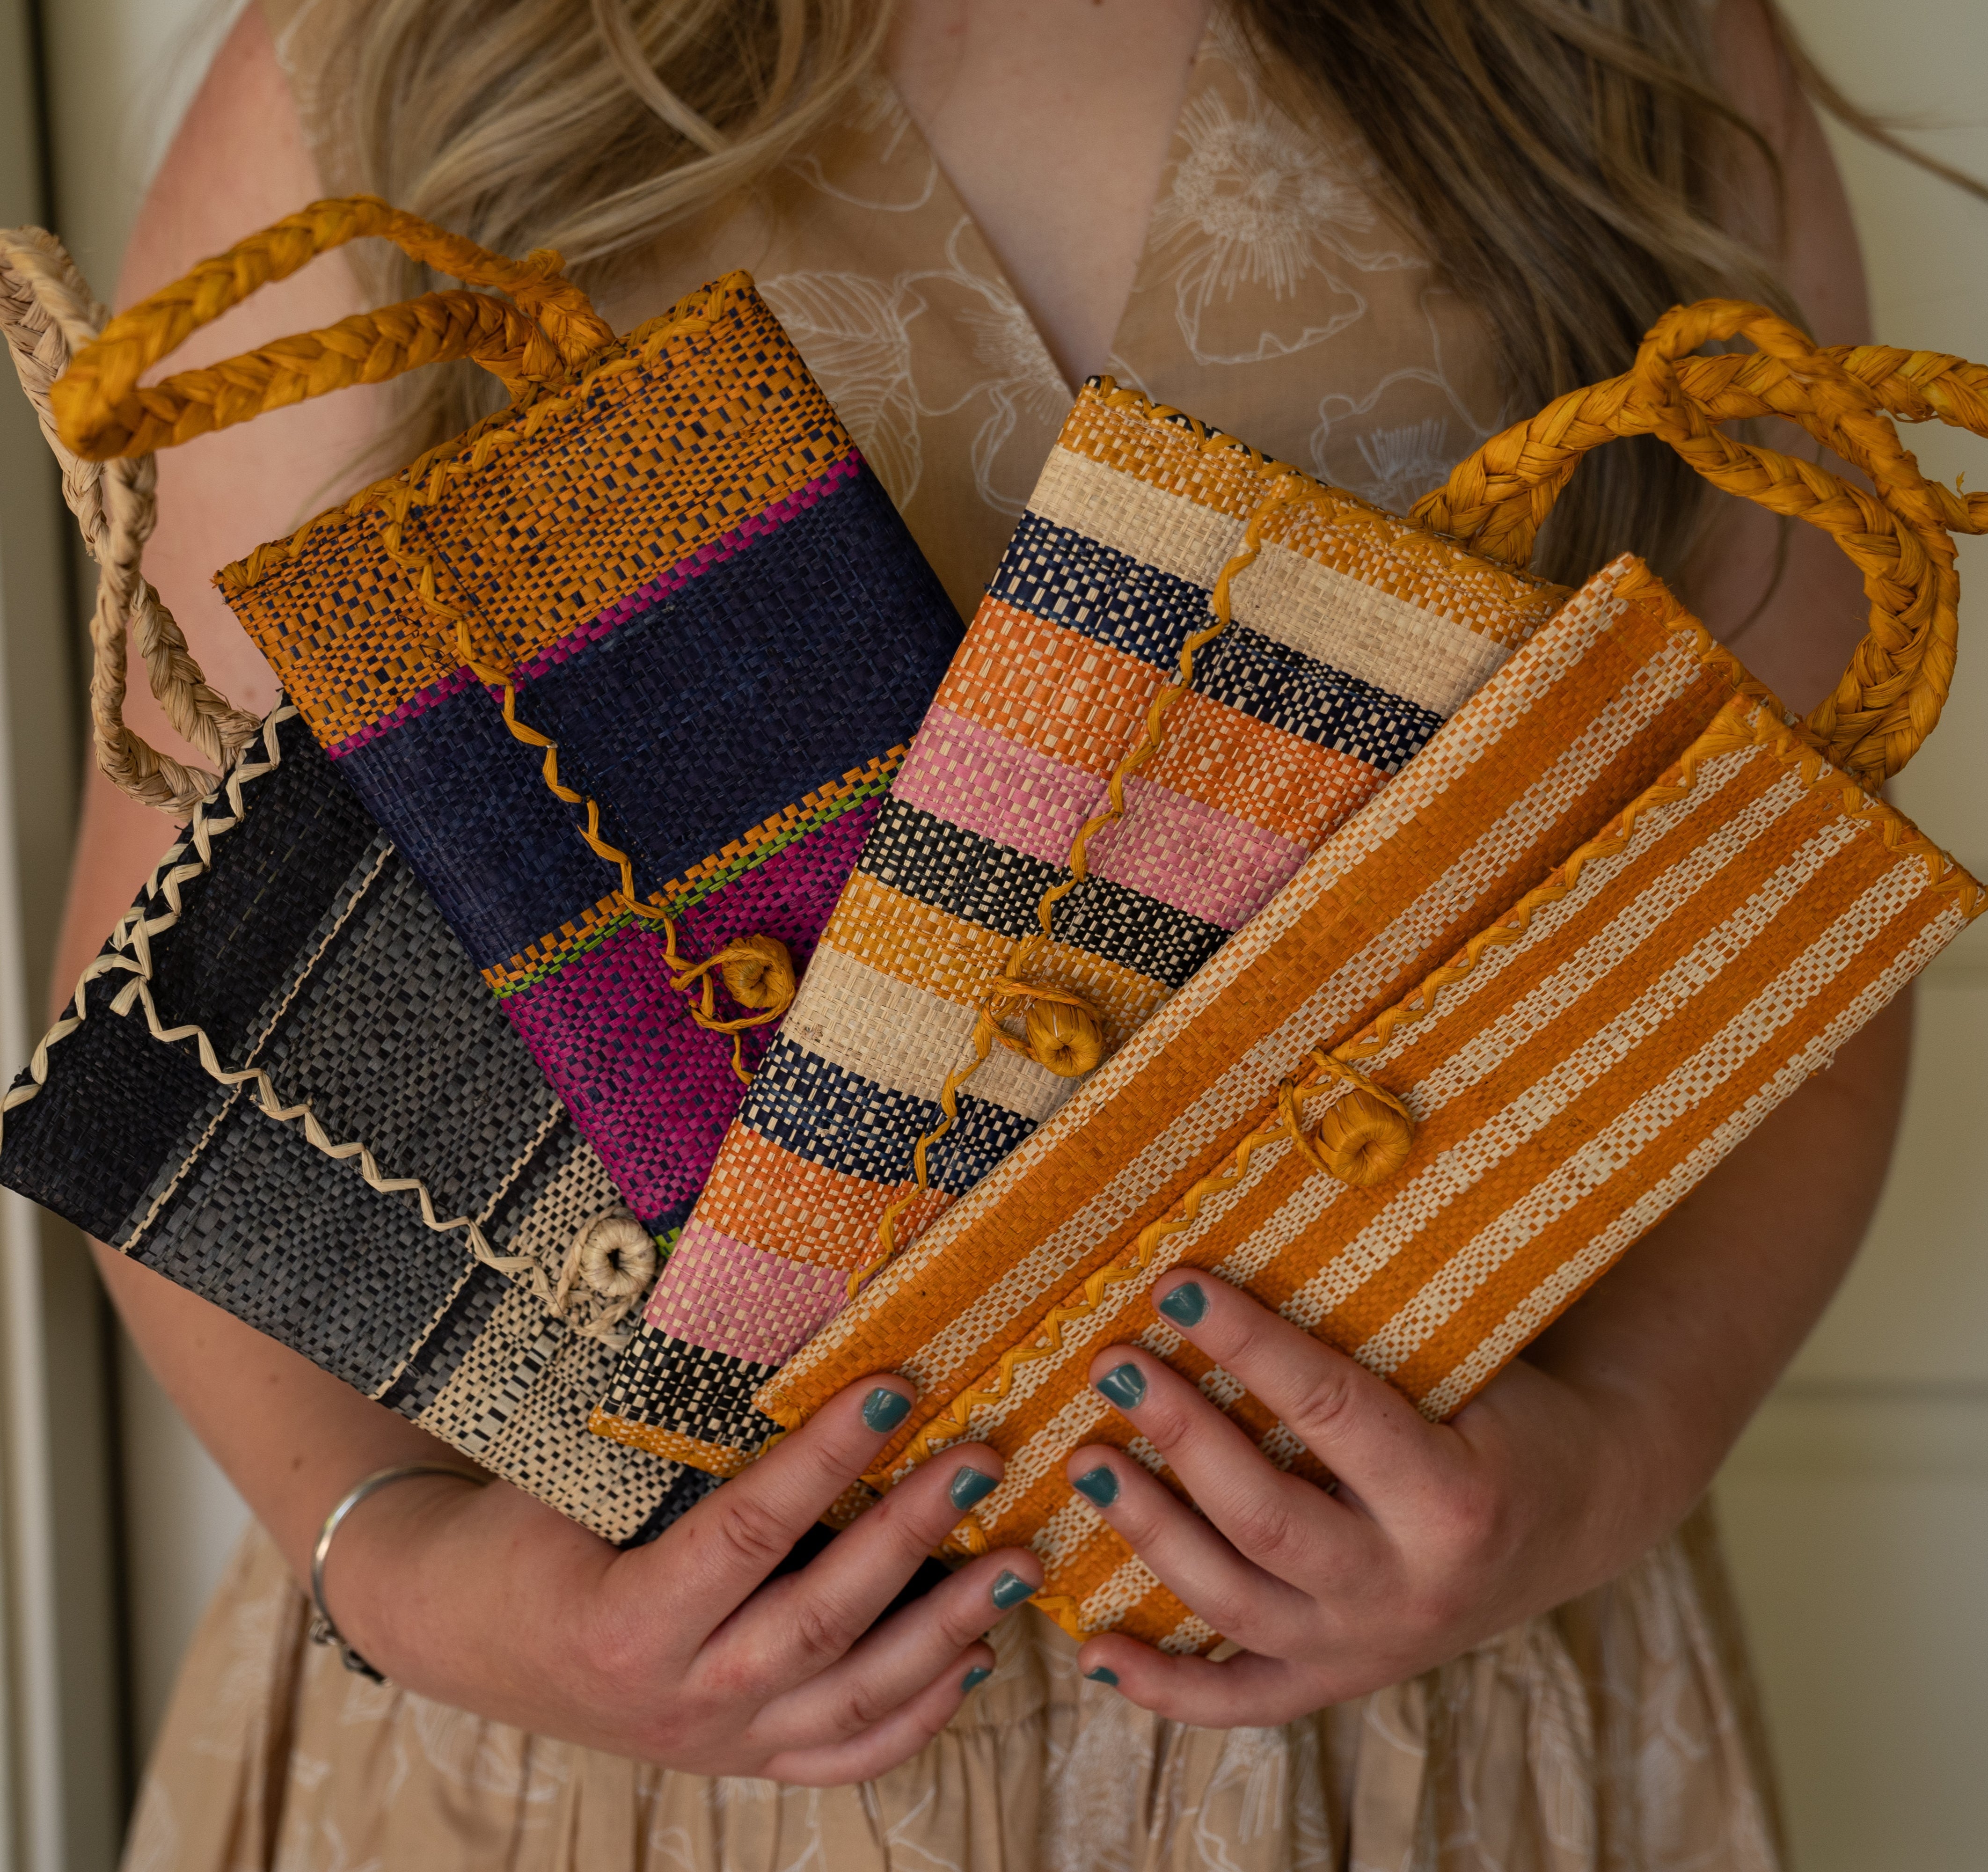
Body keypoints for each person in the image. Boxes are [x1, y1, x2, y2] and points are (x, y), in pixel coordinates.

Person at [57, 0, 1948, 1864]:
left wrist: (1610, 1465)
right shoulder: (393, 55)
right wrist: (416, 1583)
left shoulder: (1624, 43)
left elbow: (1781, 932)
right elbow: (181, 1010)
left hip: (1414, 1712)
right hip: (593, 1746)